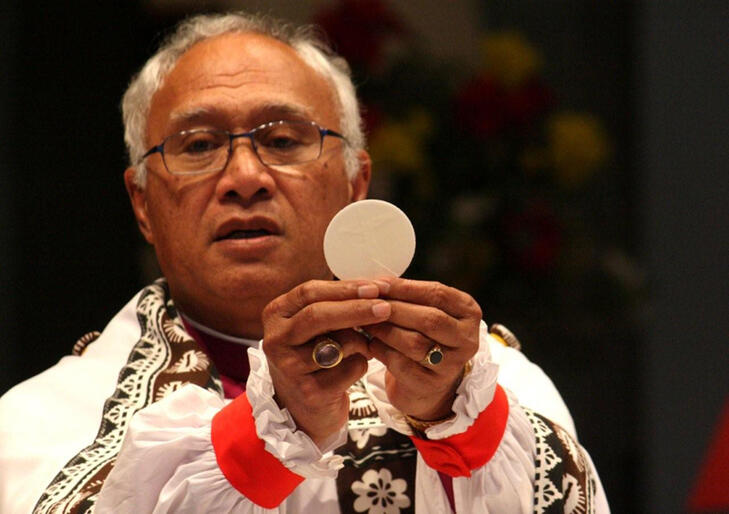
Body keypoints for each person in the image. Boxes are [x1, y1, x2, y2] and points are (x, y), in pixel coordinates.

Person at [0, 11, 609, 514]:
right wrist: (267, 431)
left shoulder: (482, 385)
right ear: (142, 203)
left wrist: (459, 431)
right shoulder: (42, 420)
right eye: (200, 145)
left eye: (283, 140)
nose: (243, 177)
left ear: (354, 184)